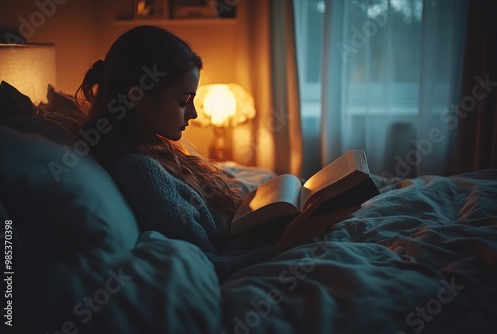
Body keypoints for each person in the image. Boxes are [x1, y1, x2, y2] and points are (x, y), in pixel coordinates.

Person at [75, 25, 355, 282]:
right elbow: (210, 265)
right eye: (183, 101)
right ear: (139, 99)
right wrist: (285, 244)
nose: (194, 113)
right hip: (259, 247)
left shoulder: (155, 147)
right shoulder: (139, 170)